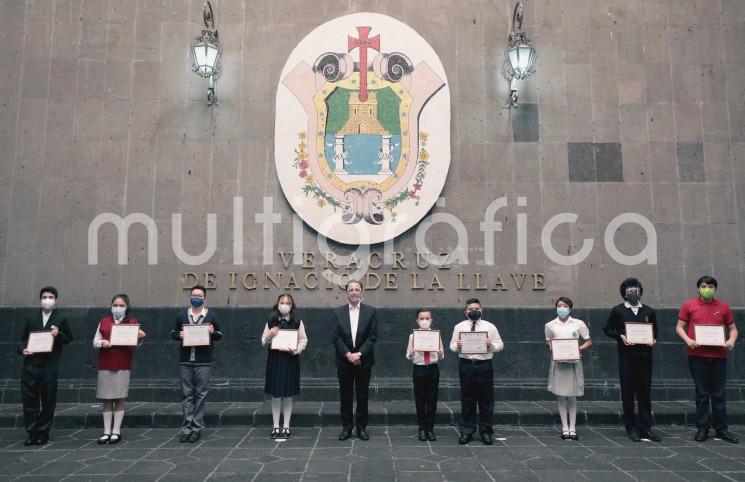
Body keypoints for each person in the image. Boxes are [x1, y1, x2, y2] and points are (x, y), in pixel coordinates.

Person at [676, 275, 739, 443]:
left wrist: (731, 341)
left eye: (711, 287)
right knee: (702, 393)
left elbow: (733, 329)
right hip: (697, 356)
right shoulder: (689, 305)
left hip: (719, 356)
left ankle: (721, 429)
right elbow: (679, 327)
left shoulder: (724, 307)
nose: (707, 289)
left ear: (715, 289)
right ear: (698, 288)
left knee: (719, 394)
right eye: (704, 286)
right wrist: (688, 340)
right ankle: (702, 428)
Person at [603, 278, 660, 442]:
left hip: (645, 357)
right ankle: (631, 428)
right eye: (628, 289)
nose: (632, 292)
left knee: (644, 393)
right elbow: (607, 329)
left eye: (634, 289)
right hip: (626, 357)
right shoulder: (618, 310)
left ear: (640, 291)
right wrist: (620, 336)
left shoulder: (648, 311)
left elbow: (655, 331)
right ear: (624, 293)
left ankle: (645, 427)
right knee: (628, 393)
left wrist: (653, 339)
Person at [19, 286, 73, 446]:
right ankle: (32, 433)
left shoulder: (61, 318)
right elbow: (23, 339)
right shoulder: (31, 318)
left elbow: (69, 338)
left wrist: (59, 335)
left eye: (50, 297)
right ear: (40, 298)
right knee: (29, 401)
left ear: (55, 300)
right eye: (44, 296)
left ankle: (43, 432)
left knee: (48, 400)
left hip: (49, 365)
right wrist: (23, 349)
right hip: (31, 364)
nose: (47, 300)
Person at [171, 285, 223, 443]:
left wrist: (212, 332)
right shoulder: (182, 315)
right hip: (186, 360)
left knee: (200, 394)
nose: (196, 298)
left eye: (199, 296)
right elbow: (173, 333)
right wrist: (179, 334)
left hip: (204, 361)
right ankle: (186, 428)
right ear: (189, 297)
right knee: (187, 395)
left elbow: (219, 335)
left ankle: (197, 428)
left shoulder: (211, 315)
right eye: (194, 295)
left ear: (205, 298)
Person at [93, 294, 146, 444]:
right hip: (105, 363)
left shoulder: (132, 323)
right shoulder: (103, 322)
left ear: (127, 307)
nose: (117, 308)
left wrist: (141, 337)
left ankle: (116, 431)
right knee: (107, 398)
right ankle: (106, 431)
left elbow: (136, 344)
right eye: (115, 305)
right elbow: (94, 341)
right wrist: (102, 342)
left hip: (123, 363)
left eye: (121, 306)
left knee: (120, 397)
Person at [449, 298, 503, 445]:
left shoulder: (490, 327)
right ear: (466, 311)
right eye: (471, 308)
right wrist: (457, 345)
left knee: (486, 400)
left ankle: (486, 431)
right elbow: (452, 345)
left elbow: (500, 345)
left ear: (481, 310)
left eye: (476, 308)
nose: (474, 310)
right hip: (466, 365)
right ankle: (467, 431)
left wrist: (490, 344)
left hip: (484, 365)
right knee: (467, 400)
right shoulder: (459, 327)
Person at [332, 280, 378, 441]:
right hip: (344, 361)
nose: (353, 292)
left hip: (363, 361)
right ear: (347, 293)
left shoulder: (370, 312)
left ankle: (361, 427)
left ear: (361, 292)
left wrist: (359, 354)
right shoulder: (338, 312)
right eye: (350, 289)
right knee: (345, 395)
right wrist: (347, 354)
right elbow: (336, 337)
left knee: (362, 395)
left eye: (356, 289)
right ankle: (347, 427)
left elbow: (372, 337)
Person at [261, 294, 308, 439]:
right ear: (277, 304)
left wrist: (296, 350)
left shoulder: (297, 321)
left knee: (288, 394)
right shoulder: (271, 320)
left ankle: (286, 426)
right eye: (282, 302)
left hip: (290, 360)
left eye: (288, 303)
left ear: (292, 305)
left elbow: (303, 340)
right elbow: (263, 342)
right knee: (276, 394)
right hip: (275, 360)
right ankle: (276, 426)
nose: (285, 305)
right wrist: (269, 336)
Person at [544, 297, 591, 441]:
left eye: (565, 306)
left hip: (573, 362)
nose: (562, 308)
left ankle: (573, 428)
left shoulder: (578, 324)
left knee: (572, 395)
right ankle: (564, 428)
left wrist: (579, 348)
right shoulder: (550, 325)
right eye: (559, 306)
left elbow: (588, 341)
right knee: (560, 395)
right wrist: (552, 348)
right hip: (559, 363)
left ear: (570, 309)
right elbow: (548, 342)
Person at [406, 308, 444, 442]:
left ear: (431, 320)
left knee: (432, 400)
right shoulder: (413, 336)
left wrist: (439, 352)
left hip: (433, 368)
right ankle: (422, 428)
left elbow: (442, 354)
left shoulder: (436, 335)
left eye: (427, 318)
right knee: (420, 400)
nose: (424, 321)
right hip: (419, 369)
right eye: (422, 319)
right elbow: (408, 355)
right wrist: (411, 352)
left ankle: (430, 428)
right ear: (417, 321)